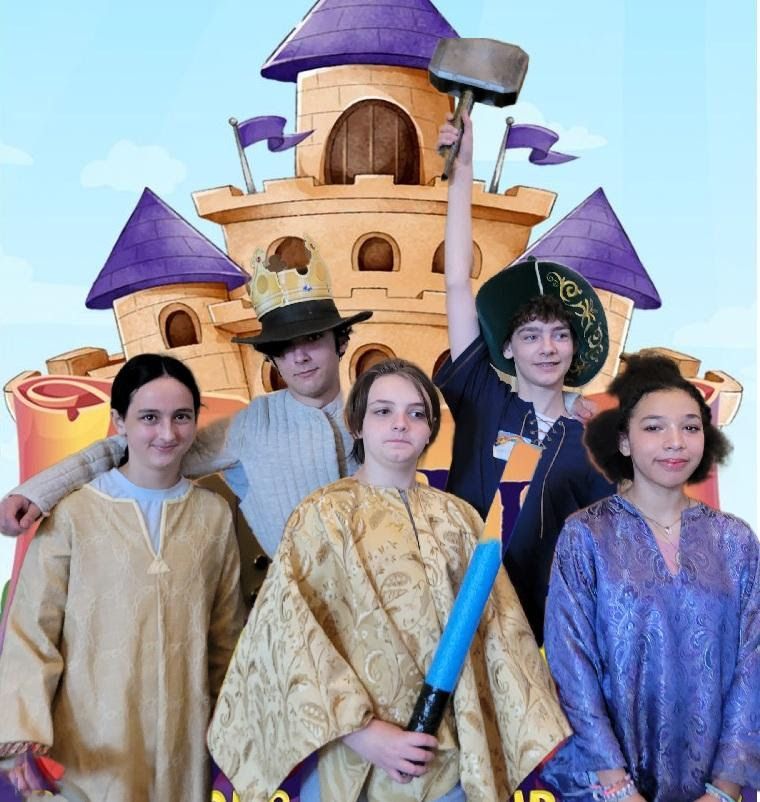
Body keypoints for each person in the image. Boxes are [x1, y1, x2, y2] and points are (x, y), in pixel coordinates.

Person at [207, 357, 571, 802]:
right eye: (383, 411)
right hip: (355, 759)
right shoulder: (322, 515)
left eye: (416, 413)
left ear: (430, 429)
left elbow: (500, 630)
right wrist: (364, 733)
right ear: (357, 425)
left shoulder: (459, 519)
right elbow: (286, 636)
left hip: (447, 756)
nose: (401, 423)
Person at [0, 239, 372, 560]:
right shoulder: (251, 425)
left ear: (340, 342)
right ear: (272, 358)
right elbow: (128, 448)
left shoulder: (380, 413)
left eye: (313, 339)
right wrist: (38, 492)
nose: (299, 357)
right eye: (284, 347)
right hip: (299, 604)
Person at [0, 354, 245, 801]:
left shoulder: (214, 515)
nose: (167, 433)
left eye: (181, 417)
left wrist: (232, 728)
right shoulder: (75, 513)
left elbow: (225, 635)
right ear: (119, 422)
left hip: (184, 747)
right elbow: (32, 631)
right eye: (149, 417)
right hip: (90, 751)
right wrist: (19, 737)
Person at [543, 352, 759, 802]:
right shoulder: (586, 535)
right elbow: (571, 663)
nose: (675, 442)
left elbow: (752, 663)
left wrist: (724, 788)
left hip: (714, 787)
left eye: (690, 427)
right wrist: (616, 785)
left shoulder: (735, 540)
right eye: (654, 427)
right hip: (610, 787)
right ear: (624, 441)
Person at [434, 110, 615, 642]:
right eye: (531, 335)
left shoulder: (592, 445)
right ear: (508, 347)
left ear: (574, 348)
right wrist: (464, 171)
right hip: (455, 622)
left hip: (538, 640)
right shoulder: (481, 396)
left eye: (559, 335)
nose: (547, 347)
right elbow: (456, 283)